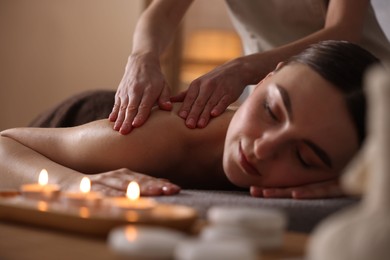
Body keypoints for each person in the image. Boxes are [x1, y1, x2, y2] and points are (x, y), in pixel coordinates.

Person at [0, 41, 380, 199]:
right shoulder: (154, 137)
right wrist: (76, 183)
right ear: (265, 78)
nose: (262, 148)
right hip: (92, 120)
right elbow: (5, 142)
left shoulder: (350, 173)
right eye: (270, 110)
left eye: (305, 158)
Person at [109, 0, 390, 135]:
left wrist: (242, 69)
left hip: (360, 85)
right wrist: (142, 57)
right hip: (268, 86)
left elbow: (342, 31)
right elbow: (163, 12)